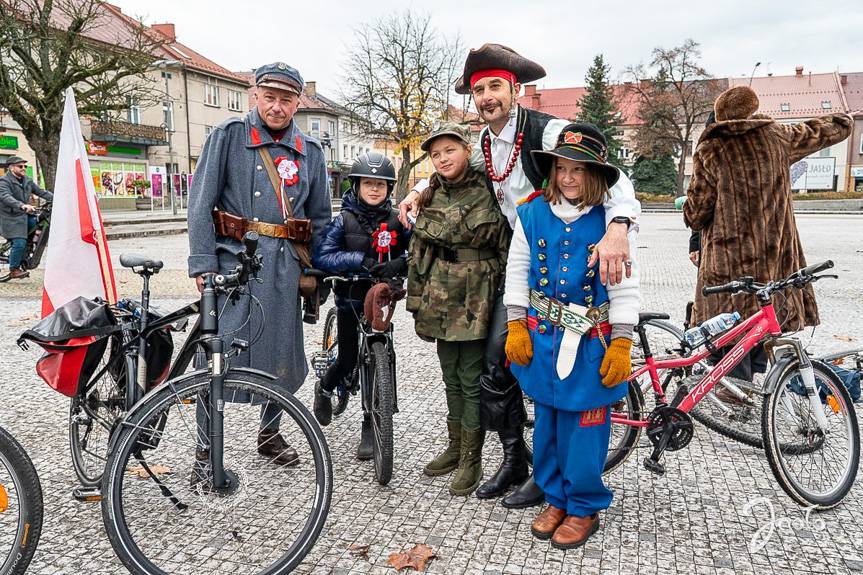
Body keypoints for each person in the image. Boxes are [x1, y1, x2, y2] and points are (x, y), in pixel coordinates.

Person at [399, 44, 640, 507]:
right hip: (520, 257)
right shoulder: (485, 143)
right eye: (479, 90)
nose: (487, 96)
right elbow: (453, 168)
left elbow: (614, 176)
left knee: (514, 362)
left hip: (568, 256)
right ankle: (516, 458)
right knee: (501, 361)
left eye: (495, 86)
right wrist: (420, 188)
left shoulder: (547, 128)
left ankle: (543, 470)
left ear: (514, 89)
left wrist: (618, 227)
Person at [187, 62, 331, 467]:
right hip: (233, 262)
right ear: (255, 95)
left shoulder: (311, 152)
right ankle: (205, 446)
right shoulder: (228, 136)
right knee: (215, 355)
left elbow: (320, 218)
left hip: (284, 267)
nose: (277, 107)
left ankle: (270, 434)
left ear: (298, 102)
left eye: (286, 99)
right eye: (270, 97)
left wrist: (317, 272)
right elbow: (200, 204)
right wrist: (203, 263)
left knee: (281, 355)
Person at [504, 123, 639, 549]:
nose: (567, 178)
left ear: (595, 175)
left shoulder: (612, 223)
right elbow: (517, 271)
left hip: (591, 342)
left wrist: (622, 340)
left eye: (578, 170)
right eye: (561, 168)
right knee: (546, 423)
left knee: (585, 428)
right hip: (542, 337)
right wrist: (514, 324)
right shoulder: (531, 212)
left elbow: (624, 285)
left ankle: (583, 505)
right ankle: (555, 496)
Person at [684, 86, 852, 381]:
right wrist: (846, 117)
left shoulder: (711, 148)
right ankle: (756, 386)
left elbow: (697, 213)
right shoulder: (777, 136)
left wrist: (691, 212)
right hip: (773, 253)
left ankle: (734, 389)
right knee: (765, 313)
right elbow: (832, 127)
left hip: (727, 258)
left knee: (728, 324)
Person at [407, 123, 511, 496]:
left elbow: (506, 247)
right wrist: (416, 303)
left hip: (477, 295)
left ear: (467, 150)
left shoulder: (491, 187)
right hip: (439, 294)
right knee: (450, 375)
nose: (443, 158)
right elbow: (420, 253)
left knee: (470, 379)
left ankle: (472, 457)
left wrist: (506, 302)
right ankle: (455, 448)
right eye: (436, 154)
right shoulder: (431, 192)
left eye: (450, 150)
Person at [311, 152, 409, 459]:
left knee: (383, 357)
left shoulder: (397, 220)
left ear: (389, 189)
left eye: (381, 184)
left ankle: (371, 422)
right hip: (350, 298)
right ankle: (325, 387)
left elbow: (415, 250)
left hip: (382, 300)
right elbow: (322, 256)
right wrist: (359, 260)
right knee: (350, 357)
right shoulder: (344, 220)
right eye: (369, 183)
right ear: (356, 186)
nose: (375, 189)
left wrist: (398, 263)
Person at [0, 156, 53, 282]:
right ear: (11, 168)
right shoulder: (4, 182)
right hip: (10, 217)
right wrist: (22, 205)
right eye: (20, 166)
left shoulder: (27, 180)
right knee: (19, 242)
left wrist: (60, 199)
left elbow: (41, 192)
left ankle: (26, 253)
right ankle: (14, 270)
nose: (23, 168)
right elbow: (5, 196)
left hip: (24, 215)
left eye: (25, 166)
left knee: (37, 227)